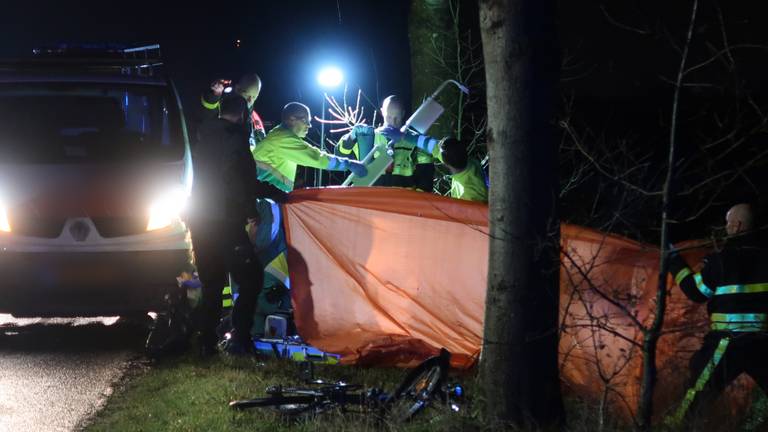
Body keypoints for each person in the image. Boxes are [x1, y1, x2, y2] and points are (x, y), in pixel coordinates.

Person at [187, 93, 286, 356]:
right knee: (252, 278)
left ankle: (205, 342)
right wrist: (270, 197)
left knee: (212, 282)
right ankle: (240, 339)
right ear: (243, 114)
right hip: (224, 221)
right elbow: (241, 181)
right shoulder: (235, 139)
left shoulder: (201, 136)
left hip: (199, 219)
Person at [666, 203, 768, 427]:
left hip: (726, 345)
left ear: (737, 225)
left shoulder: (720, 260)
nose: (726, 227)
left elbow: (696, 292)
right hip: (762, 344)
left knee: (693, 402)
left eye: (728, 223)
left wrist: (674, 260)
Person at [252, 102, 368, 192]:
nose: (309, 125)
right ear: (291, 119)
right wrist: (348, 164)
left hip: (265, 196)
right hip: (264, 200)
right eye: (305, 120)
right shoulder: (283, 139)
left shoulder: (278, 136)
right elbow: (317, 158)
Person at [338, 95, 435, 191]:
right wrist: (351, 138)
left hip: (404, 201)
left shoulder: (413, 139)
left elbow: (426, 176)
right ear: (382, 112)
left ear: (403, 113)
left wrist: (417, 201)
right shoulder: (369, 138)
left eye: (397, 118)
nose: (393, 122)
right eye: (389, 117)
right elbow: (340, 155)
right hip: (373, 199)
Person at [201, 73, 266, 147]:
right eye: (247, 94)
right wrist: (215, 94)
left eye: (254, 97)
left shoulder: (255, 119)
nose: (250, 100)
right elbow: (207, 111)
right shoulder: (224, 105)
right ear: (237, 89)